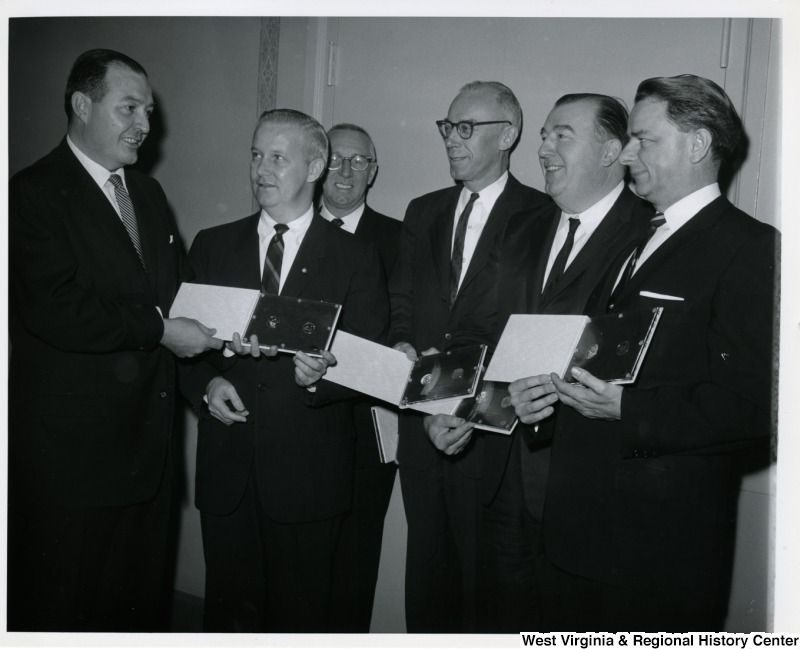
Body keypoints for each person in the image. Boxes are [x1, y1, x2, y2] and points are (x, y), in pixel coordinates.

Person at [511, 74, 778, 630]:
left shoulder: (751, 248)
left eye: (643, 139)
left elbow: (755, 407)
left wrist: (629, 411)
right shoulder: (634, 236)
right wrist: (543, 393)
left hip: (655, 552)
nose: (627, 152)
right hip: (578, 534)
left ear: (697, 144)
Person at [8, 48, 222, 631]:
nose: (146, 126)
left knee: (133, 612)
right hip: (71, 469)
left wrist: (226, 342)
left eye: (148, 111)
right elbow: (57, 310)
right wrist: (162, 329)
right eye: (129, 108)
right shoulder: (28, 195)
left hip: (146, 458)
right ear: (82, 105)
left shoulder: (147, 195)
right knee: (62, 612)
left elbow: (176, 299)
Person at [429, 93, 653, 631]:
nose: (543, 147)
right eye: (543, 135)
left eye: (561, 135)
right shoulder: (522, 228)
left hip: (591, 491)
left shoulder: (650, 234)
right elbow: (481, 334)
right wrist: (444, 404)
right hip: (505, 479)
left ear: (611, 151)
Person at [178, 109, 389, 632]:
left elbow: (371, 361)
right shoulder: (212, 243)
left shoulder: (356, 256)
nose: (261, 169)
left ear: (315, 166)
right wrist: (208, 384)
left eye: (278, 157)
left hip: (309, 479)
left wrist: (319, 376)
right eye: (256, 155)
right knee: (227, 618)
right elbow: (179, 349)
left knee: (301, 623)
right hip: (227, 472)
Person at [388, 80, 550, 632]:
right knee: (427, 565)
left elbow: (522, 328)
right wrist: (402, 343)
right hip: (420, 422)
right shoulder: (423, 210)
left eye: (466, 128)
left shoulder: (541, 213)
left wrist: (464, 403)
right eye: (447, 127)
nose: (452, 140)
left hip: (486, 426)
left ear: (508, 135)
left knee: (484, 583)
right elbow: (402, 302)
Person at [320, 123, 401, 632]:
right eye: (334, 159)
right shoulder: (291, 230)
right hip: (298, 428)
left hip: (367, 430)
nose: (345, 171)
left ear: (373, 172)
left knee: (353, 564)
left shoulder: (400, 239)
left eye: (358, 161)